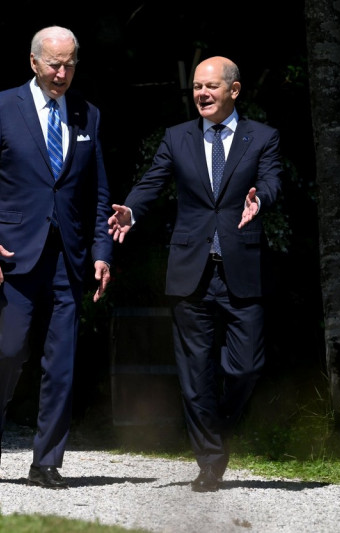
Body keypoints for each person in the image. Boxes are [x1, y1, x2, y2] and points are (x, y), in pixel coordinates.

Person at [108, 56, 283, 492]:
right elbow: (152, 183)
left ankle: (218, 426)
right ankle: (209, 461)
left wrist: (260, 200)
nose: (202, 94)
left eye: (211, 86)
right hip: (191, 272)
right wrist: (131, 209)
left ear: (234, 90)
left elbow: (273, 179)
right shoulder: (177, 137)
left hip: (241, 268)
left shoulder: (262, 137)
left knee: (244, 368)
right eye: (196, 87)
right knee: (195, 373)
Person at [0, 25, 113, 489]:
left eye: (70, 64)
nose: (62, 72)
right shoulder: (1, 107)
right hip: (12, 255)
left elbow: (98, 193)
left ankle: (46, 460)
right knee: (8, 351)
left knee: (61, 362)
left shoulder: (88, 114)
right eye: (54, 64)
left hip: (69, 257)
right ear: (34, 62)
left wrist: (102, 251)